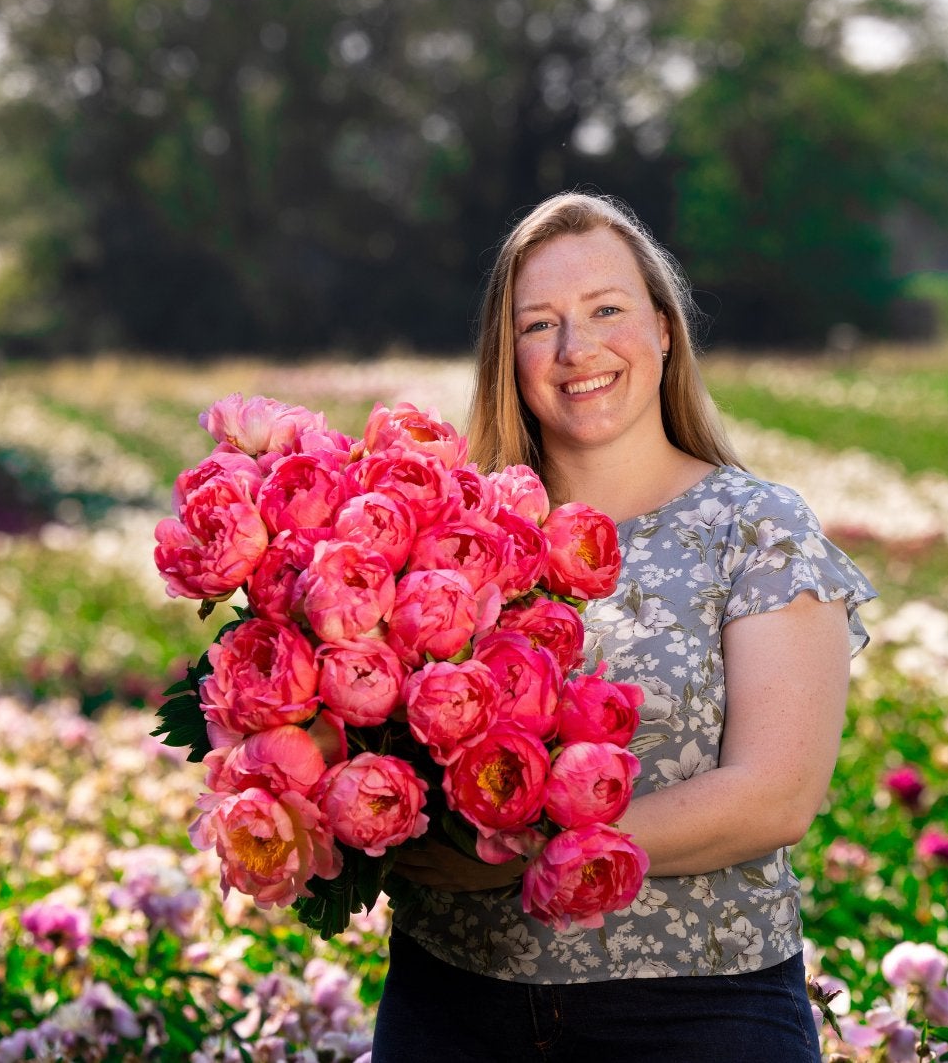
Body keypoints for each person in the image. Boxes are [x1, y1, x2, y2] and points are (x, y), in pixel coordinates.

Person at [375, 191, 876, 1062]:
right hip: (453, 1006)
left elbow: (775, 796)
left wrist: (525, 851)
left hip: (696, 1016)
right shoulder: (451, 537)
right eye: (540, 325)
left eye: (607, 310)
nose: (578, 350)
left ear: (664, 329)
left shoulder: (754, 527)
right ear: (509, 356)